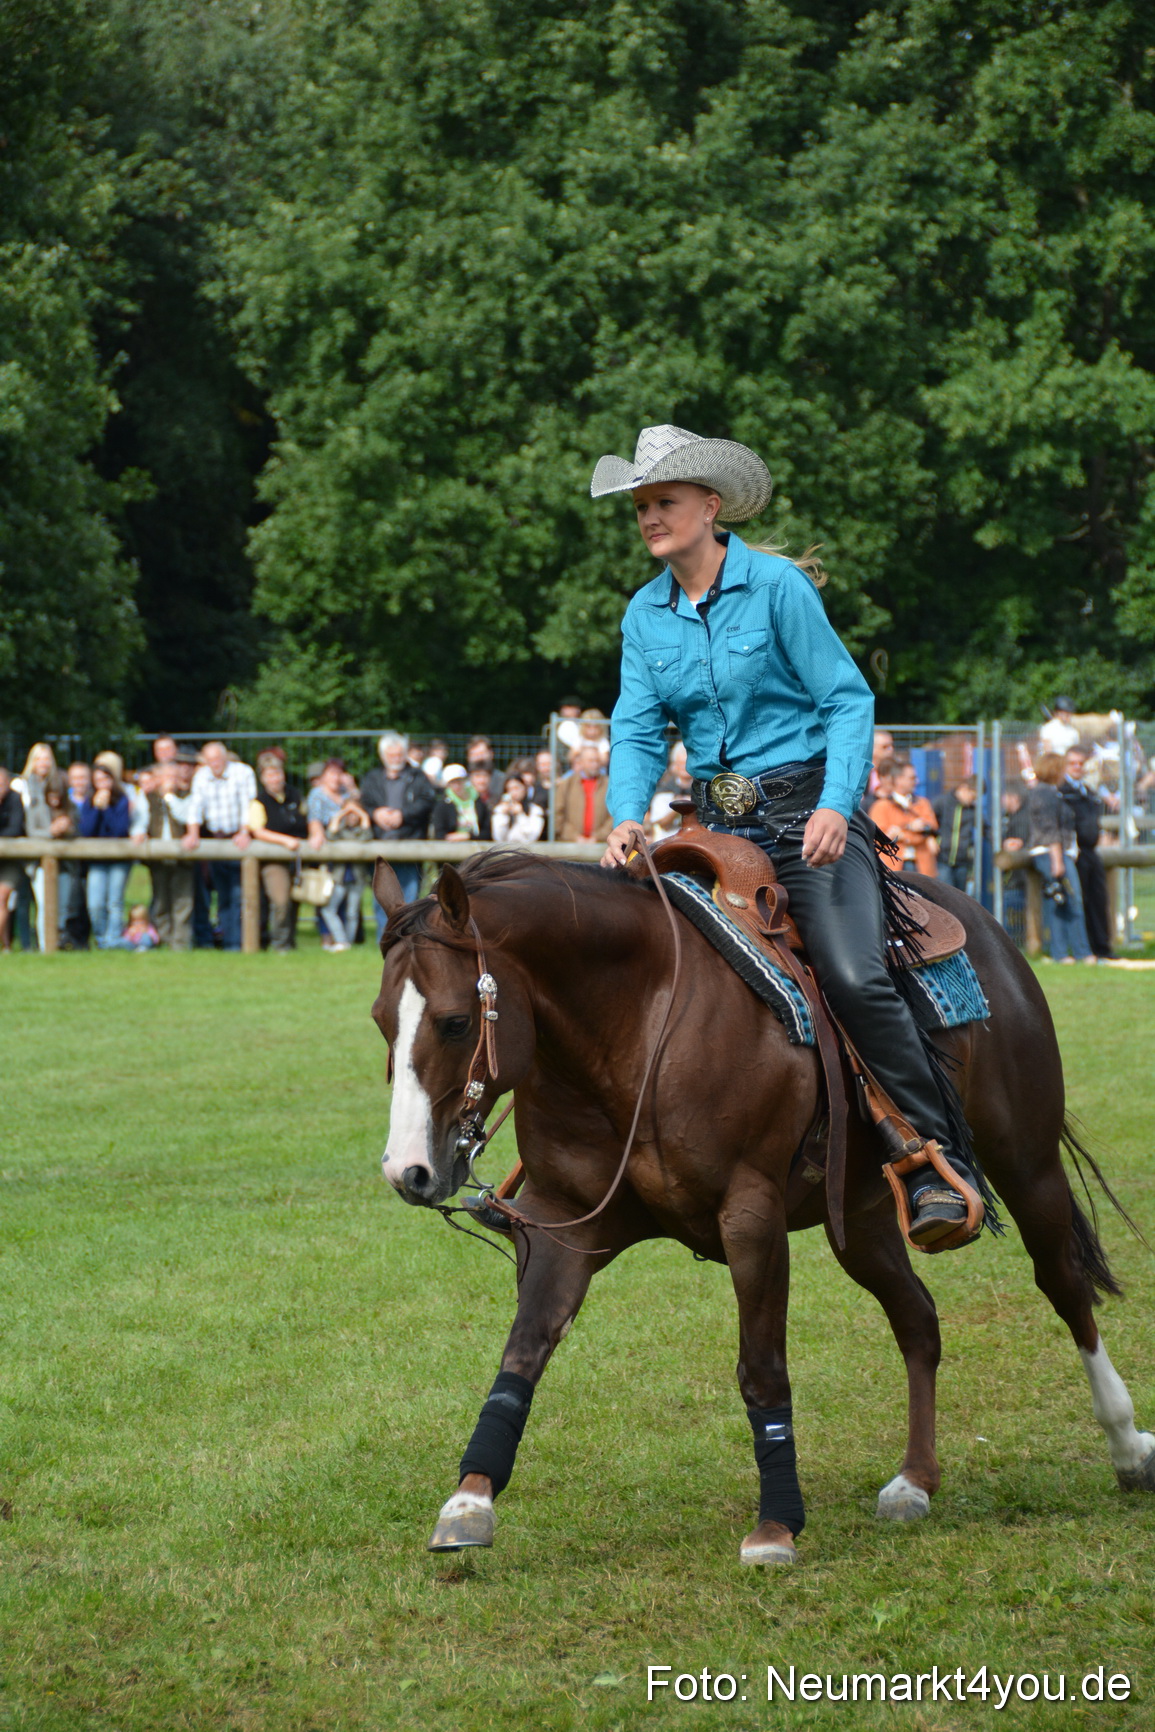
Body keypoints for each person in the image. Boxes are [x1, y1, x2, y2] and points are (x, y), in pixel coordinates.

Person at [594, 421, 984, 1249]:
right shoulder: (642, 614)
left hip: (806, 823)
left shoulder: (775, 588)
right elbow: (633, 728)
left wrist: (837, 806)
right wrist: (623, 812)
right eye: (640, 507)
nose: (649, 519)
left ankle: (934, 1157)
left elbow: (846, 699)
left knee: (851, 973)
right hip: (710, 832)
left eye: (662, 502)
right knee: (623, 956)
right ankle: (591, 1157)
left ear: (708, 505)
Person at [181, 742, 257, 951]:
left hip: (238, 837)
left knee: (239, 894)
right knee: (223, 895)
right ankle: (228, 941)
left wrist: (244, 831)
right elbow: (196, 805)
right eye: (209, 760)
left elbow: (248, 804)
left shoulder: (242, 772)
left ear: (225, 758)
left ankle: (240, 940)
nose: (214, 764)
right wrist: (193, 833)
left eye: (217, 759)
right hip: (215, 839)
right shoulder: (202, 776)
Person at [360, 732, 437, 916]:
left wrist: (403, 815)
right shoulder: (372, 777)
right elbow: (365, 802)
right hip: (379, 846)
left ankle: (408, 941)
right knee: (382, 900)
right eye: (391, 754)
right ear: (383, 755)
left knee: (409, 900)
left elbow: (427, 801)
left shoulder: (418, 777)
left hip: (410, 844)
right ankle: (383, 941)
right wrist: (375, 813)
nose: (396, 758)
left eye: (399, 754)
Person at [1027, 753, 1093, 963]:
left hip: (1052, 853)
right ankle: (1079, 952)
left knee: (1059, 900)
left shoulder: (1045, 792)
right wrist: (1057, 860)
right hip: (1051, 853)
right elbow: (1050, 829)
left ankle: (1061, 952)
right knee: (1071, 899)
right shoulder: (1046, 794)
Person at [248, 750, 309, 952]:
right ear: (263, 778)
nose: (275, 779)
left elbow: (309, 818)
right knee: (281, 900)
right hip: (273, 858)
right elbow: (257, 831)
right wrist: (285, 841)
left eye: (278, 773)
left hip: (298, 857)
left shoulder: (295, 795)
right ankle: (279, 943)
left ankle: (290, 942)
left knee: (295, 901)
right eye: (270, 775)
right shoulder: (259, 801)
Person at [307, 760, 371, 951]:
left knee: (350, 907)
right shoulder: (317, 794)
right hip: (331, 851)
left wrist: (351, 786)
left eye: (339, 773)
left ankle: (345, 940)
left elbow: (359, 806)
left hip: (352, 858)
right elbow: (314, 818)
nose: (336, 777)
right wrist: (318, 834)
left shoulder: (346, 793)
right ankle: (329, 937)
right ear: (323, 776)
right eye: (332, 773)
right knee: (328, 899)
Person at [1061, 745, 1113, 960]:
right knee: (1079, 900)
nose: (1077, 767)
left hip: (1092, 851)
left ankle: (1103, 947)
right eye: (1072, 763)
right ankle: (1084, 948)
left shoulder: (1088, 792)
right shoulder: (1062, 791)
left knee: (1098, 898)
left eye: (1080, 763)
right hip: (1075, 852)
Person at [78, 761, 136, 948]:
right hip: (97, 859)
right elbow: (86, 831)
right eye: (98, 780)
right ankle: (102, 939)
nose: (102, 783)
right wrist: (96, 808)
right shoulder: (89, 801)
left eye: (105, 779)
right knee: (95, 903)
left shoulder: (122, 800)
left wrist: (106, 808)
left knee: (114, 901)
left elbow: (120, 829)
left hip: (119, 858)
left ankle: (113, 939)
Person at [13, 743, 58, 949]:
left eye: (47, 758)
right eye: (39, 758)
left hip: (47, 847)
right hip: (22, 848)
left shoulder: (57, 785)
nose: (43, 763)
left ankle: (44, 944)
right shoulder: (20, 785)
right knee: (22, 900)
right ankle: (24, 944)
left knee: (44, 900)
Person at [145, 761, 195, 949]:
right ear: (157, 778)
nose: (172, 781)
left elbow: (185, 816)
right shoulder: (148, 797)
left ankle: (181, 942)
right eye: (168, 777)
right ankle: (163, 938)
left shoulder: (186, 796)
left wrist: (169, 796)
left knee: (183, 900)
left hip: (183, 857)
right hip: (157, 857)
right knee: (160, 899)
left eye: (175, 777)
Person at [869, 761, 939, 875]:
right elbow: (881, 837)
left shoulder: (922, 803)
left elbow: (932, 826)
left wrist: (902, 834)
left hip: (922, 866)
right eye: (912, 778)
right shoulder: (881, 806)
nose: (916, 781)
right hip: (893, 866)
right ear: (898, 779)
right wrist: (911, 828)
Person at [557, 743, 613, 843]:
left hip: (601, 845)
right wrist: (574, 836)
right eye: (591, 761)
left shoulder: (608, 785)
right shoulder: (567, 784)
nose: (595, 765)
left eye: (597, 761)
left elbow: (614, 815)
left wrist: (598, 837)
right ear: (581, 762)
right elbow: (558, 814)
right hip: (570, 845)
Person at [933, 775, 979, 893]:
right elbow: (929, 822)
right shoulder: (942, 802)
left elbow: (987, 829)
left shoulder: (972, 809)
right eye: (972, 796)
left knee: (960, 896)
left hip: (962, 861)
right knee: (946, 894)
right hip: (942, 859)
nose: (972, 801)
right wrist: (931, 838)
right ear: (964, 788)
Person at [0, 765, 25, 953]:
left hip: (11, 861)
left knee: (2, 898)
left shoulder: (15, 800)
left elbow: (15, 829)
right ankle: (6, 945)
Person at [491, 772, 545, 845]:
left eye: (517, 788)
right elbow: (498, 838)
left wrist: (520, 815)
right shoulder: (500, 809)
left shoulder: (535, 810)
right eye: (509, 789)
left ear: (525, 788)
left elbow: (532, 837)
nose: (514, 793)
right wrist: (503, 815)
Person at [431, 764, 481, 840]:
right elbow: (440, 834)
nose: (457, 785)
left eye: (459, 781)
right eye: (453, 782)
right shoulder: (443, 805)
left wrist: (467, 836)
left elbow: (486, 831)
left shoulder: (477, 800)